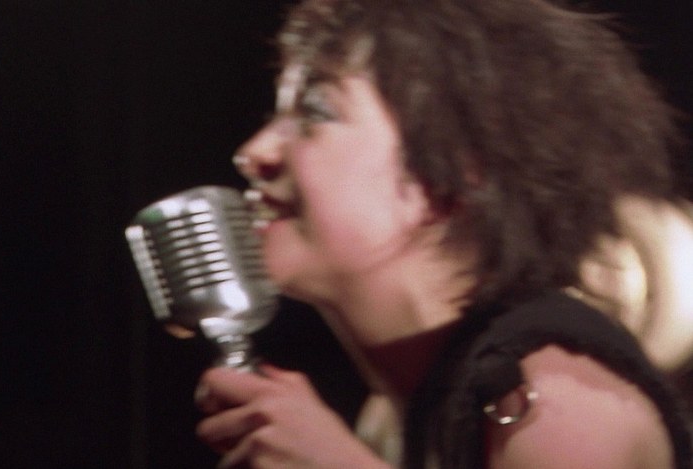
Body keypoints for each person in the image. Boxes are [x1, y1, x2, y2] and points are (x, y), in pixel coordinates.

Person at [193, 0, 693, 467]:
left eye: (316, 113)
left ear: (449, 175)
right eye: (276, 115)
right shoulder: (391, 416)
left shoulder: (560, 409)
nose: (253, 152)